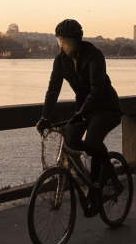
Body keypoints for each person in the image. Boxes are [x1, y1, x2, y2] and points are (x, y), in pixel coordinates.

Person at [36, 18, 123, 215]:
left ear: (78, 39)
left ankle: (111, 183)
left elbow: (96, 89)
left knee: (92, 140)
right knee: (71, 140)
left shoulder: (94, 56)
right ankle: (91, 183)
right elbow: (53, 90)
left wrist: (82, 114)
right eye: (60, 41)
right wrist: (45, 117)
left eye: (66, 41)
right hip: (84, 108)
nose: (63, 45)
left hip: (106, 107)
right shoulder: (60, 60)